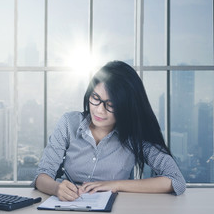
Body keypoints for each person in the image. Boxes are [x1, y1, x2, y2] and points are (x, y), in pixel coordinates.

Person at [32, 60, 186, 201]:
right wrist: (57, 188)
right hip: (66, 206)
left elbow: (175, 180)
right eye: (96, 98)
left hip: (115, 209)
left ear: (126, 108)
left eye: (110, 105)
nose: (99, 110)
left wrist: (115, 185)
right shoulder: (69, 123)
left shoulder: (135, 135)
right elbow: (42, 176)